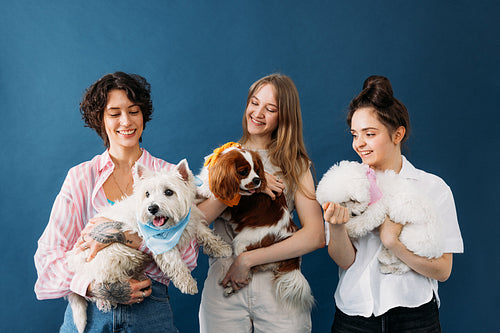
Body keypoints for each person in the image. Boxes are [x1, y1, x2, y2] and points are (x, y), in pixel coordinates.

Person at [34, 72, 198, 332]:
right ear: (100, 119)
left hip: (150, 310)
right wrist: (94, 287)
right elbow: (48, 255)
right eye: (114, 113)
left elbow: (187, 257)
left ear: (143, 115)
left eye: (134, 111)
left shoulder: (171, 176)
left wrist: (122, 237)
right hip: (91, 309)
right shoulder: (81, 177)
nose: (126, 121)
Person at [322, 75, 463, 332]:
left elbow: (443, 270)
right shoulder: (345, 184)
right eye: (355, 135)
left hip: (415, 318)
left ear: (398, 134)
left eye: (370, 134)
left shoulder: (433, 188)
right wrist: (338, 227)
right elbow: (344, 261)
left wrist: (393, 244)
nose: (359, 143)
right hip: (354, 317)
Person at [197, 73, 326, 333]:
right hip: (224, 284)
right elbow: (196, 222)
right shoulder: (223, 158)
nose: (258, 113)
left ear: (284, 117)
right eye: (254, 103)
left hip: (276, 280)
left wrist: (248, 260)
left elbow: (316, 235)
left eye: (270, 109)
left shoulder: (296, 164)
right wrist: (248, 184)